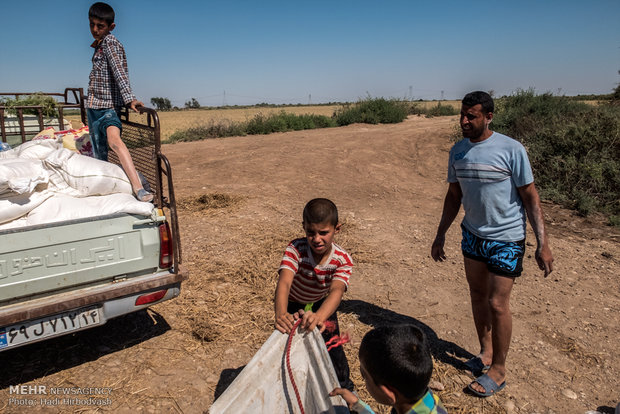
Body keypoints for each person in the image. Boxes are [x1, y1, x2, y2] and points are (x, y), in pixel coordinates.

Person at [431, 91, 554, 397]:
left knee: (497, 304)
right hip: (472, 235)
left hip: (507, 239)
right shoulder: (458, 151)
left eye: (471, 116)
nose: (464, 121)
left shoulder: (511, 149)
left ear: (489, 117)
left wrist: (542, 243)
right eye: (462, 115)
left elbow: (530, 197)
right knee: (477, 295)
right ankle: (485, 353)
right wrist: (441, 233)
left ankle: (498, 371)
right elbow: (454, 196)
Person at [274, 198, 355, 391]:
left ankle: (346, 388)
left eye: (324, 233)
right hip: (293, 304)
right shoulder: (296, 249)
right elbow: (284, 282)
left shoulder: (342, 260)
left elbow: (336, 291)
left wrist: (320, 317)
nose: (316, 239)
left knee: (332, 347)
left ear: (337, 229)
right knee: (286, 344)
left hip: (321, 306)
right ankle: (287, 387)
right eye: (311, 232)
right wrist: (281, 314)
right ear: (303, 227)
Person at [86, 2, 153, 202]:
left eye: (100, 26)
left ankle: (139, 187)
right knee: (99, 153)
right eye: (92, 25)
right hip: (93, 107)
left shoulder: (110, 43)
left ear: (111, 27)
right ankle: (106, 193)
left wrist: (129, 98)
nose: (95, 29)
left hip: (108, 108)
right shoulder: (98, 46)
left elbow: (119, 73)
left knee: (115, 142)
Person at [330, 325, 447, 414]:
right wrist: (357, 405)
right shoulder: (429, 401)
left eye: (364, 375)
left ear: (388, 394)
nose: (363, 378)